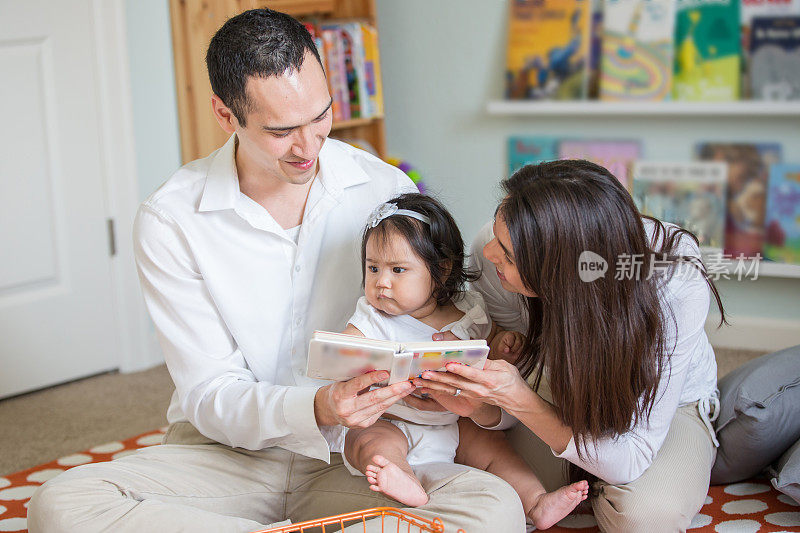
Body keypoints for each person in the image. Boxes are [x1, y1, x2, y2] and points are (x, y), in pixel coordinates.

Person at [27, 9, 525, 532]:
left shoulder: (381, 188)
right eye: (282, 130)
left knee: (494, 510)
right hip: (227, 454)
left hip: (360, 454)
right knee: (63, 505)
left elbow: (432, 305)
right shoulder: (171, 219)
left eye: (320, 117)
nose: (309, 147)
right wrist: (319, 405)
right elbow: (209, 393)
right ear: (225, 115)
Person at [416, 159, 725, 532]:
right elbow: (521, 379)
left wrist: (518, 399)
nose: (489, 253)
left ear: (561, 276)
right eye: (498, 234)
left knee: (644, 517)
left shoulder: (674, 281)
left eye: (508, 256)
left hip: (663, 406)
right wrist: (484, 404)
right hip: (555, 392)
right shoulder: (494, 252)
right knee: (498, 492)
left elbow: (632, 454)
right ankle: (590, 474)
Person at [339, 193, 588, 527]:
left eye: (398, 270)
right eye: (373, 268)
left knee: (494, 448)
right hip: (394, 418)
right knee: (369, 440)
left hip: (456, 420)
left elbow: (492, 339)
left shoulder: (469, 308)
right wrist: (350, 358)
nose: (381, 282)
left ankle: (535, 502)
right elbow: (345, 351)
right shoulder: (372, 317)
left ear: (441, 270)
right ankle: (403, 479)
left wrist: (505, 344)